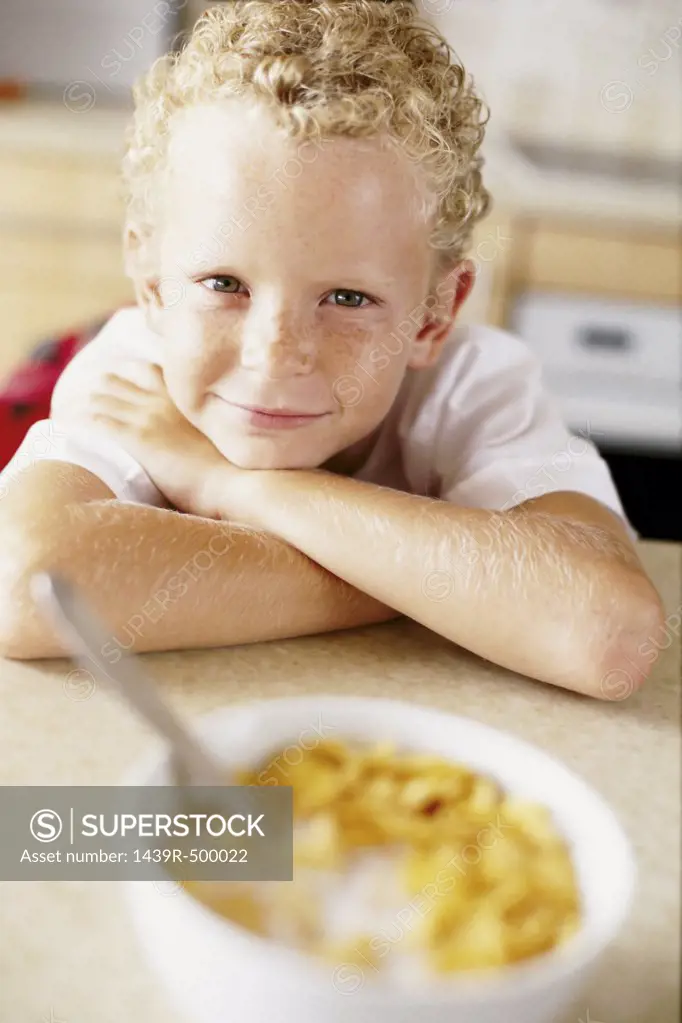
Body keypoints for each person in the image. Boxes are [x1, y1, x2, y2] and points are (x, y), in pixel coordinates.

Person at [0, 0, 664, 697]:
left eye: (347, 299)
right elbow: (23, 584)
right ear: (154, 287)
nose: (276, 354)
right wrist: (435, 587)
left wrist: (232, 486)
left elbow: (610, 635)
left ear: (437, 315)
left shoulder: (475, 384)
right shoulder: (131, 380)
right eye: (225, 283)